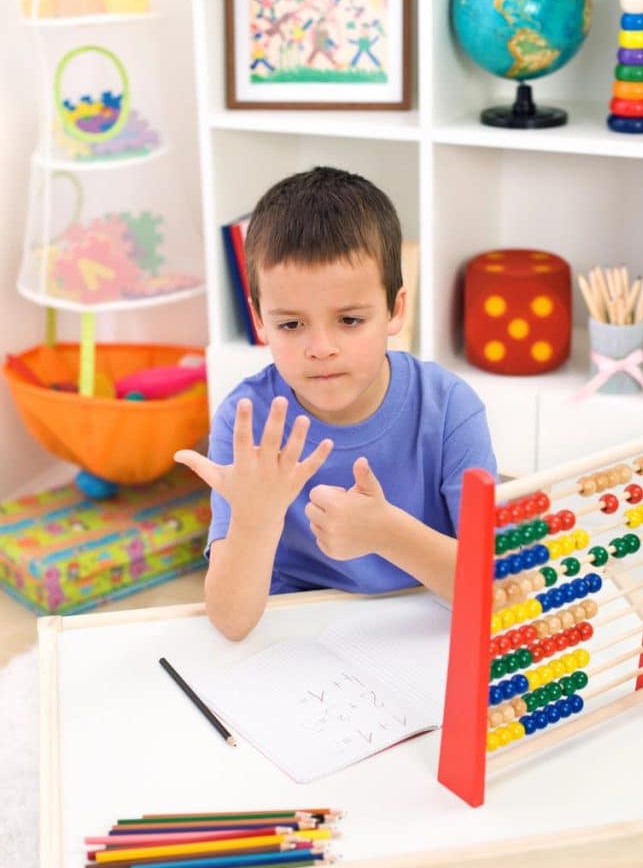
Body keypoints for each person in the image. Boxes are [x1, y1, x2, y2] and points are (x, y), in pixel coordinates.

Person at [175, 166, 497, 641]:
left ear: (395, 310)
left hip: (422, 625)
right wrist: (255, 519)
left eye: (349, 319)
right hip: (297, 639)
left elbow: (495, 591)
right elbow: (230, 621)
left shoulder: (450, 408)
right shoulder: (245, 423)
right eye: (290, 325)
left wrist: (386, 533)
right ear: (259, 321)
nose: (320, 348)